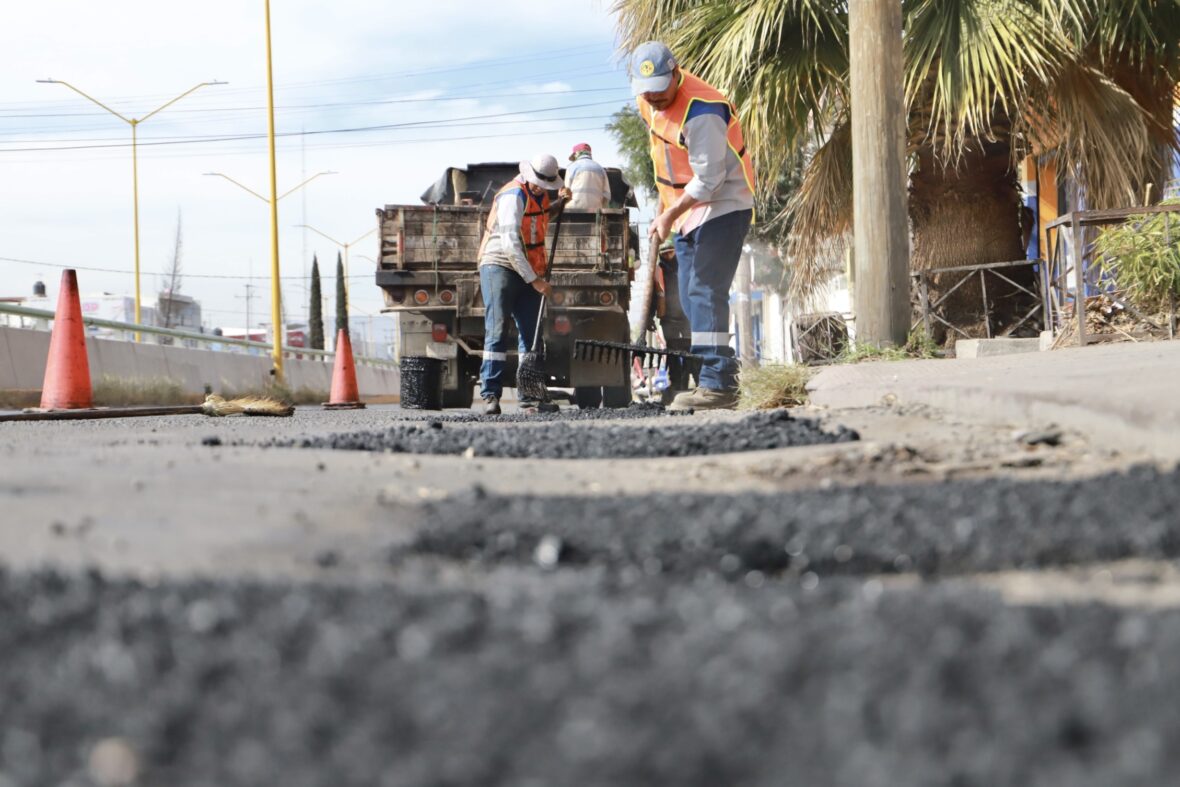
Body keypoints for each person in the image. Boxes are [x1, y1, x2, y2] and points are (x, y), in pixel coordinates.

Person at [630, 40, 756, 411]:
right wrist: (664, 206)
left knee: (704, 289)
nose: (652, 97)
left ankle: (717, 383)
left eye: (659, 89)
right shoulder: (647, 102)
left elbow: (710, 180)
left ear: (676, 73)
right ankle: (714, 377)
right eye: (645, 90)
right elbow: (663, 157)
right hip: (685, 211)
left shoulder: (702, 111)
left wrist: (669, 214)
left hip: (723, 204)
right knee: (687, 294)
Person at [478, 153, 566, 415]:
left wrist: (562, 201)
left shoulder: (539, 195)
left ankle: (529, 397)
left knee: (532, 334)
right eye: (539, 182)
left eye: (547, 184)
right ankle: (490, 395)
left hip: (529, 268)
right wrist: (535, 280)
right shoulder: (512, 196)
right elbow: (510, 244)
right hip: (500, 264)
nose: (542, 188)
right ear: (529, 176)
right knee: (497, 330)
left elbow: (543, 216)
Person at [561, 142, 611, 211]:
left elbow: (567, 193)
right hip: (595, 213)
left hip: (573, 211)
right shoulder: (601, 169)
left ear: (576, 154)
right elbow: (607, 195)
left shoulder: (571, 167)